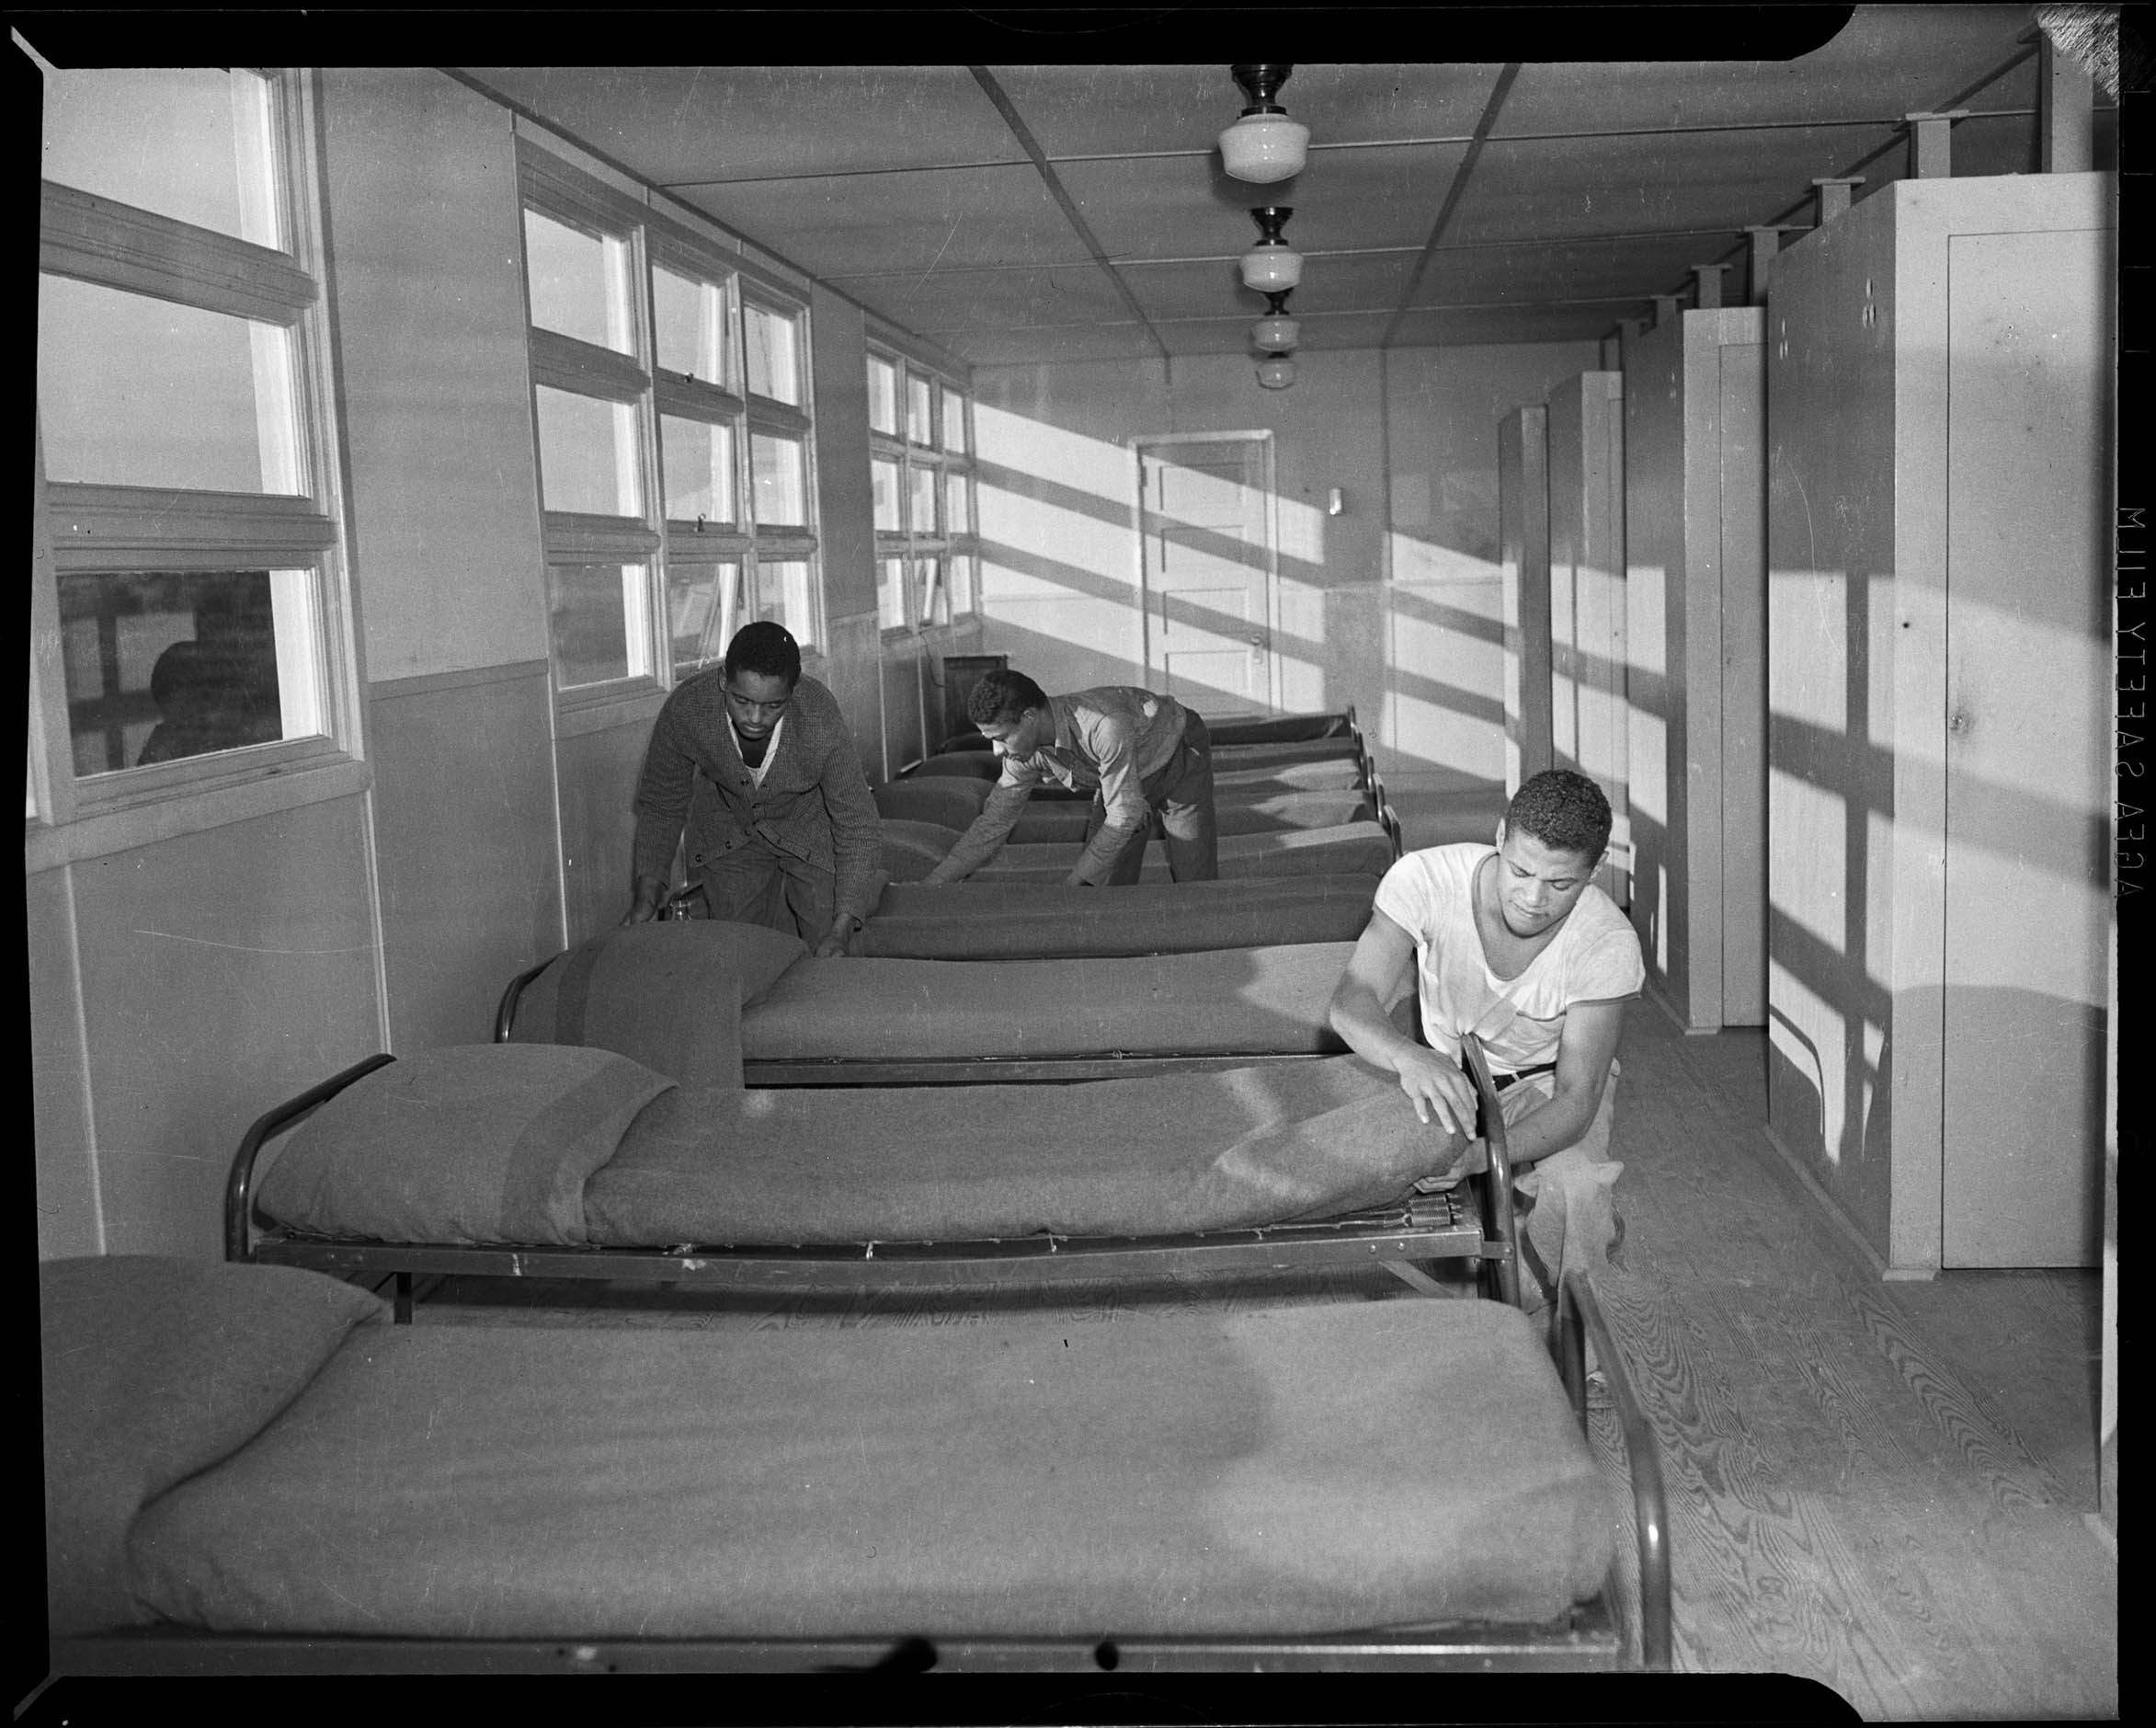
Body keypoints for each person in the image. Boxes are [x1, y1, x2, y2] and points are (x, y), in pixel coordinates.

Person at [1328, 768, 1643, 1324]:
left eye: (1561, 884)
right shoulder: (1425, 877)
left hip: (1541, 1082)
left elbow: (1576, 1097)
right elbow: (1353, 999)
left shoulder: (1607, 942)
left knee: (1574, 1188)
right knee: (1369, 1168)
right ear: (1499, 837)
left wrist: (1483, 1157)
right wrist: (1409, 1056)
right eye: (1520, 870)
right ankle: (1521, 1274)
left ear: (1596, 871)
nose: (1532, 897)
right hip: (1446, 1071)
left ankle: (1577, 1345)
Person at [624, 621, 881, 957]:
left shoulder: (819, 715)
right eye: (742, 700)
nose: (755, 718)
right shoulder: (687, 709)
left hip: (810, 829)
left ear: (793, 691)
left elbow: (857, 823)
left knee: (832, 954)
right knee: (740, 957)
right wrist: (647, 894)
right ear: (722, 682)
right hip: (731, 828)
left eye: (773, 706)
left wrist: (842, 928)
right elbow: (662, 804)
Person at [921, 670, 1218, 887]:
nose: (997, 751)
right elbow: (994, 823)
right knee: (1106, 878)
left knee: (1192, 867)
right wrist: (934, 884)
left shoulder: (1102, 725)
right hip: (1123, 767)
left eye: (1000, 738)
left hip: (1177, 748)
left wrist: (1071, 885)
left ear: (1029, 717)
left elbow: (1121, 816)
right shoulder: (1021, 753)